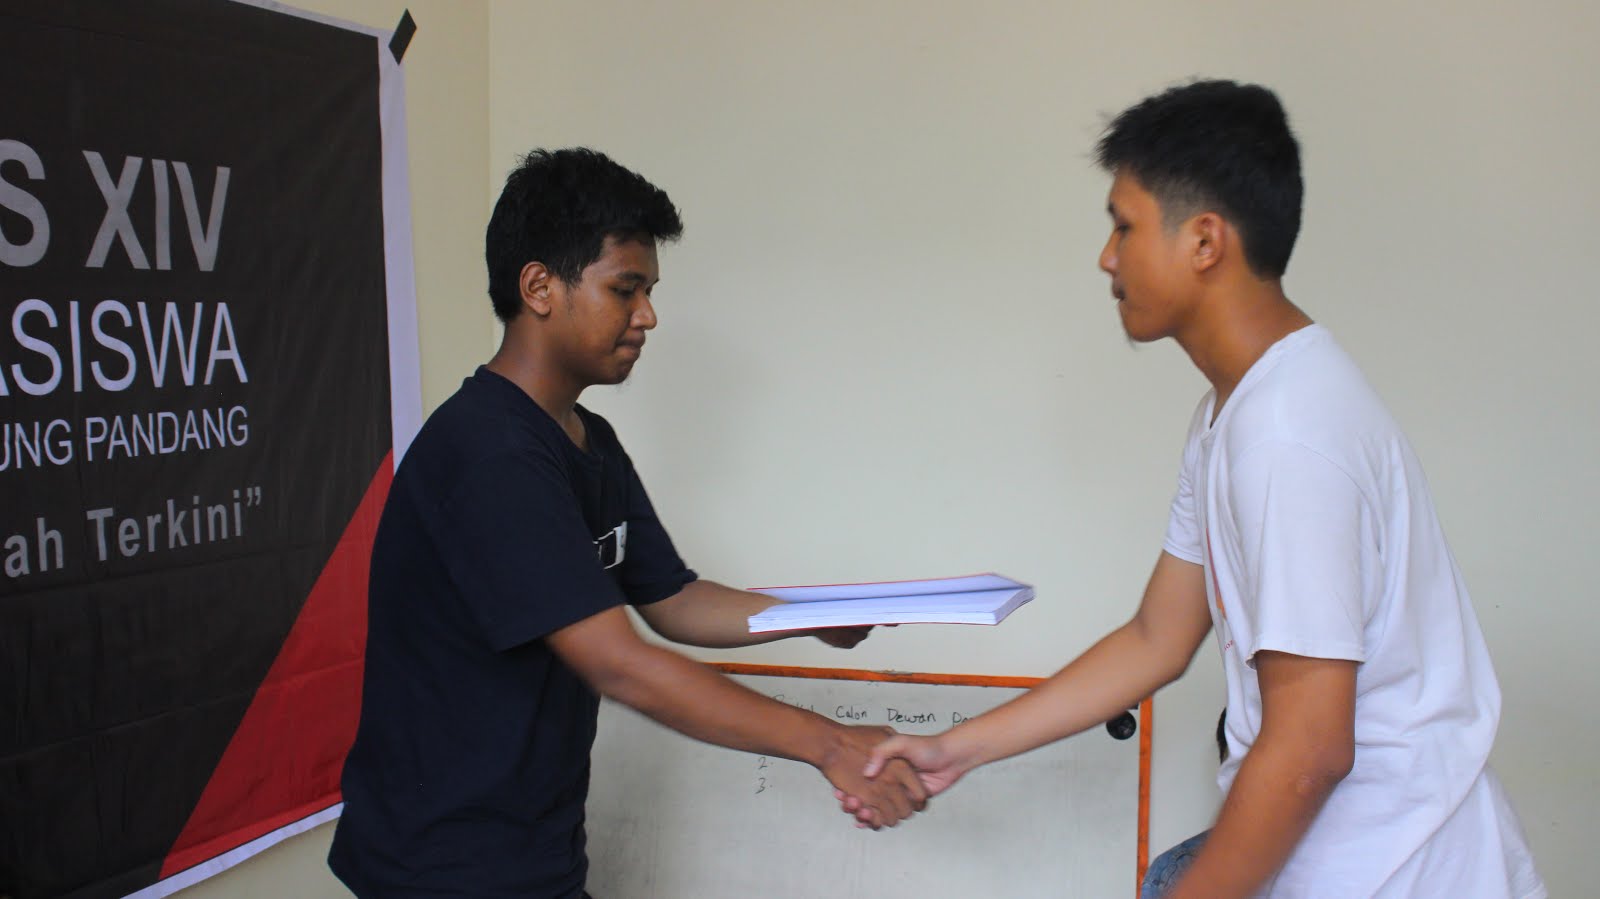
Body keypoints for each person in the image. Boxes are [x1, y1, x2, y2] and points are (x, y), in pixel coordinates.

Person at [855, 80, 1545, 898]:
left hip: (1402, 872)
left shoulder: (1289, 433)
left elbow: (1311, 747)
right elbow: (1157, 636)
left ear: (1205, 241)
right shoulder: (1234, 413)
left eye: (1124, 225)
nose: (1107, 257)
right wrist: (956, 748)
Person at [328, 148, 925, 899]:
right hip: (441, 870)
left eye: (648, 291)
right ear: (539, 288)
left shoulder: (588, 441)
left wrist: (813, 615)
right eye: (625, 289)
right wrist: (830, 743)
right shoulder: (489, 453)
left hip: (534, 853)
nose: (647, 315)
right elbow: (621, 663)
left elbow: (674, 599)